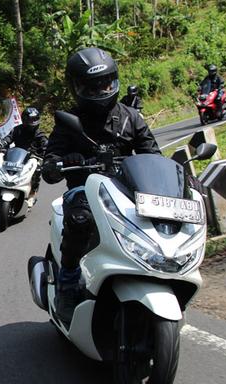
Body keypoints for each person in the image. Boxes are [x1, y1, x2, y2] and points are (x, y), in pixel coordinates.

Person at [41, 47, 161, 324]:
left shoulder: (131, 117)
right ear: (77, 88)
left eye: (106, 83)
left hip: (127, 189)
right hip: (84, 190)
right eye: (93, 87)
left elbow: (153, 155)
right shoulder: (69, 123)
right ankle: (68, 284)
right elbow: (51, 163)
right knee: (80, 218)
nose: (102, 90)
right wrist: (60, 162)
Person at [0, 106, 48, 196]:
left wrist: (45, 150)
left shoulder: (39, 134)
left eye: (35, 119)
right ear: (24, 119)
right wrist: (1, 144)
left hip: (32, 157)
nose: (33, 122)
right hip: (16, 156)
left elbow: (46, 143)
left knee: (38, 169)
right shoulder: (17, 129)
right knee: (3, 164)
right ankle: (3, 185)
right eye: (31, 119)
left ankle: (32, 192)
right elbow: (8, 138)